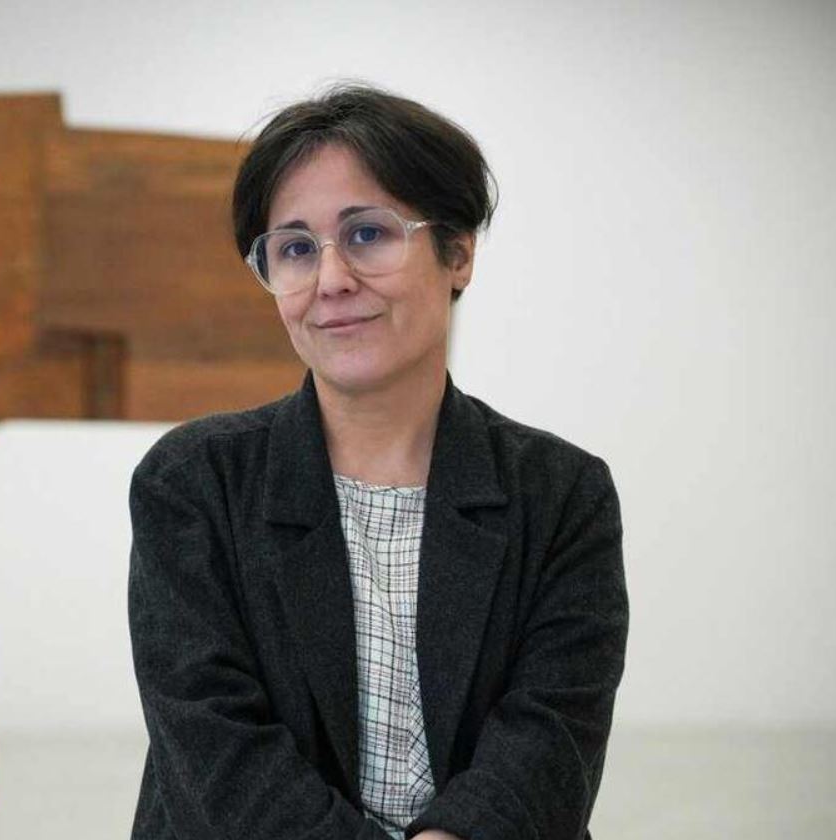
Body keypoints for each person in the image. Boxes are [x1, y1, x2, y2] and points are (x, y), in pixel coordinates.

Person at [126, 84, 628, 840]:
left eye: (367, 234)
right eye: (296, 249)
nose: (331, 281)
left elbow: (550, 737)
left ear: (458, 252)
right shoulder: (194, 483)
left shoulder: (562, 494)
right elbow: (216, 752)